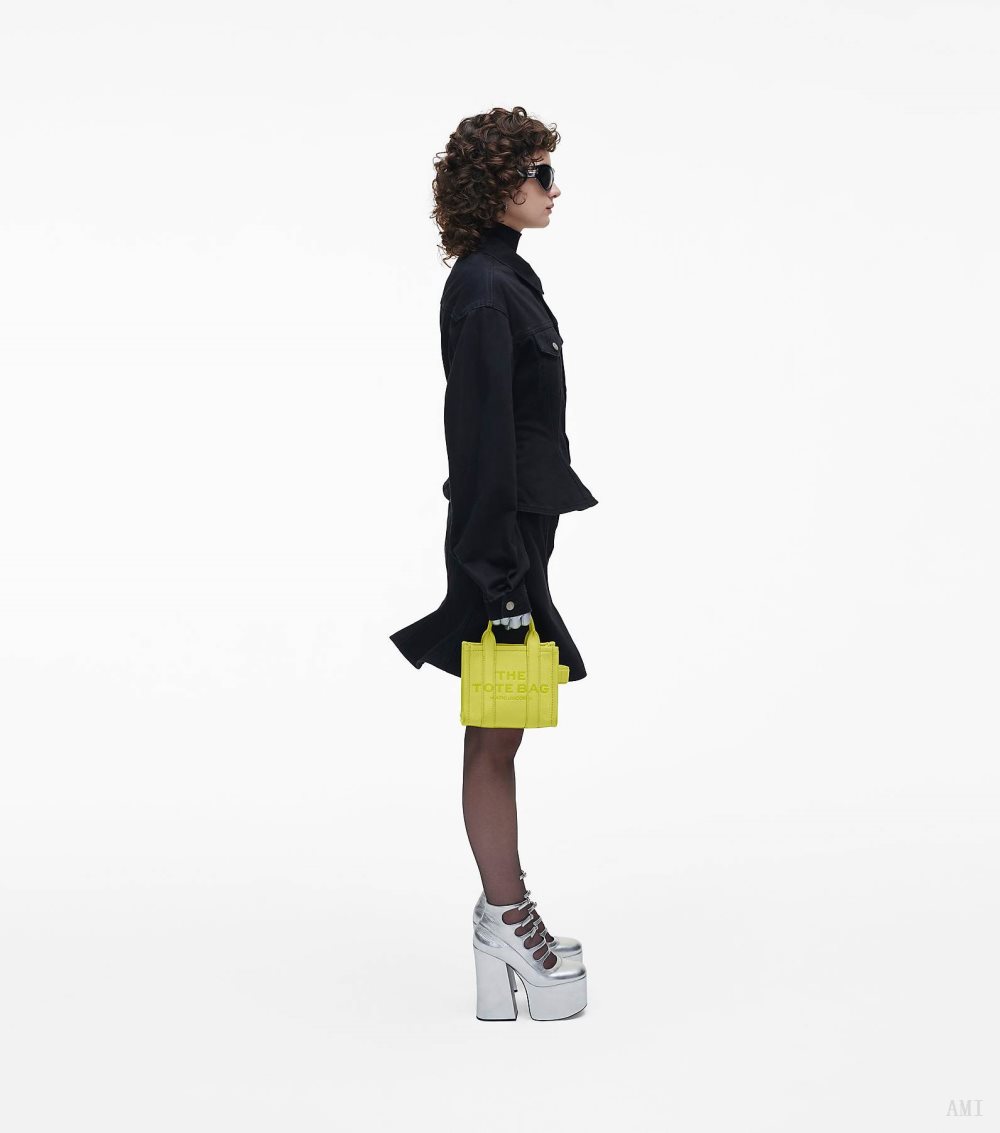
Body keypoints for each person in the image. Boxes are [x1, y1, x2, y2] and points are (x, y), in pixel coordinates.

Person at [389, 106, 598, 1021]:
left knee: (501, 730)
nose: (555, 189)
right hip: (498, 552)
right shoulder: (482, 289)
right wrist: (500, 586)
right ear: (498, 184)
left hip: (517, 545)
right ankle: (507, 920)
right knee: (494, 734)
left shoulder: (507, 277)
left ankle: (504, 916)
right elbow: (477, 446)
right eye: (540, 172)